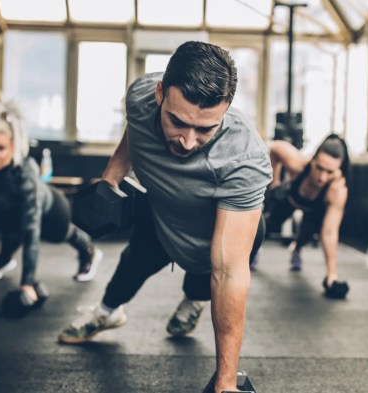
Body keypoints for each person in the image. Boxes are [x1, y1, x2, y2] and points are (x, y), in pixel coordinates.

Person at [57, 41, 271, 393]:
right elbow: (136, 130)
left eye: (205, 130)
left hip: (216, 228)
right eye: (178, 122)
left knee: (210, 273)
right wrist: (112, 174)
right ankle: (108, 312)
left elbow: (230, 272)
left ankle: (194, 301)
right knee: (134, 261)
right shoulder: (140, 95)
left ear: (227, 109)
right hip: (161, 210)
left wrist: (226, 382)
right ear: (160, 94)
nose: (188, 142)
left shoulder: (244, 160)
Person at [0, 101, 103, 307]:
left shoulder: (25, 176)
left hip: (53, 210)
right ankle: (4, 259)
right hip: (13, 209)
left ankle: (89, 251)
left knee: (60, 234)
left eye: (0, 148)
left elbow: (31, 232)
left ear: (14, 147)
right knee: (8, 219)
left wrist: (27, 283)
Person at [255, 134, 350, 299]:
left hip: (314, 210)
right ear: (312, 159)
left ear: (339, 169)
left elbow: (329, 233)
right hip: (291, 200)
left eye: (329, 172)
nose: (322, 177)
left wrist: (332, 275)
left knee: (306, 235)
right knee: (267, 225)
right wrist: (274, 182)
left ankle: (297, 250)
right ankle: (254, 250)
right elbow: (274, 147)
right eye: (319, 168)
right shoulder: (298, 164)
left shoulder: (337, 190)